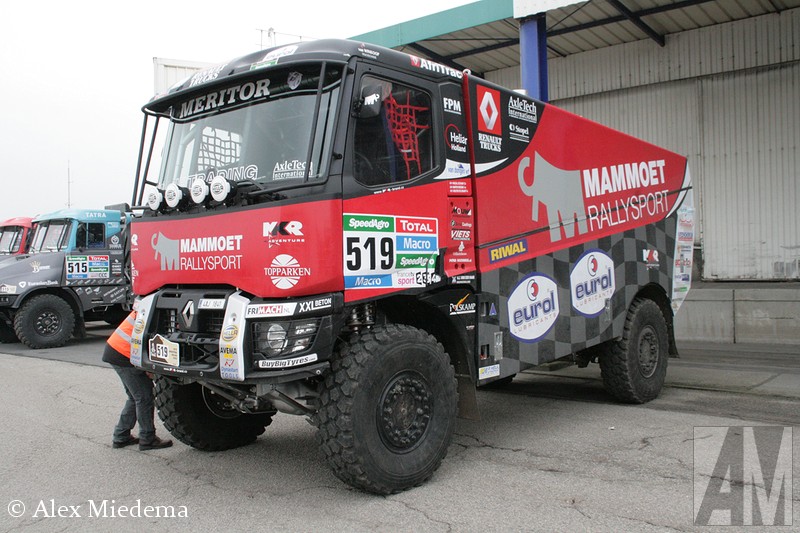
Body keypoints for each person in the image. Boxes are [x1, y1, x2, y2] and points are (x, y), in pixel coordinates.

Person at [103, 310, 173, 451]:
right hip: (124, 354)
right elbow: (150, 340)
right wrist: (148, 367)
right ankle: (147, 438)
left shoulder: (147, 306)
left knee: (135, 397)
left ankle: (121, 436)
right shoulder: (157, 311)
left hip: (116, 351)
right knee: (144, 397)